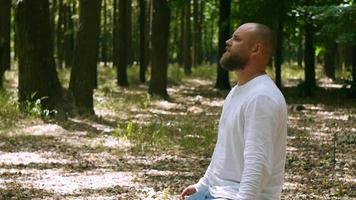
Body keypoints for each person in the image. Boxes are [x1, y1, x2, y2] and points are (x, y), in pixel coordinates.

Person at [180, 23, 288, 200]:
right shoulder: (239, 90)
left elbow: (258, 162)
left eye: (236, 39)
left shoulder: (261, 97)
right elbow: (224, 149)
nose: (228, 42)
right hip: (216, 191)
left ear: (256, 49)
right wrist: (203, 185)